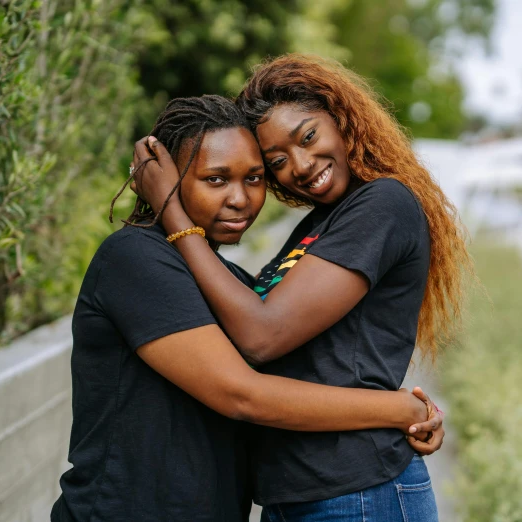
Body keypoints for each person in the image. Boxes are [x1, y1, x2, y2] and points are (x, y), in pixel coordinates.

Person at [51, 95, 443, 522]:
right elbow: (242, 394)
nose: (240, 198)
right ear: (167, 182)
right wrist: (400, 409)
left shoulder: (230, 284)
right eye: (216, 179)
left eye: (254, 178)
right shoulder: (135, 258)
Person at [132, 55, 470, 522]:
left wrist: (172, 213)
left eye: (308, 136)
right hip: (300, 497)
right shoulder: (319, 225)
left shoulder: (382, 203)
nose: (303, 165)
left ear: (341, 117)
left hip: (359, 494)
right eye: (277, 161)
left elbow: (262, 335)